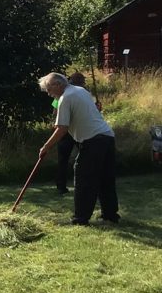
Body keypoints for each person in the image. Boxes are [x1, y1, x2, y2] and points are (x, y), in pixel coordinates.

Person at [38, 72, 119, 226]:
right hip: (107, 137)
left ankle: (80, 218)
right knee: (105, 178)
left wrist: (46, 147)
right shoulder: (81, 91)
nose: (49, 94)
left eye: (49, 89)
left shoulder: (65, 98)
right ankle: (110, 215)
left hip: (93, 141)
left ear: (57, 84)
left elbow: (62, 128)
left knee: (84, 178)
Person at [53, 72, 94, 195]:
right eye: (82, 81)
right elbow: (56, 111)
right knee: (80, 158)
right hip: (69, 130)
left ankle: (62, 186)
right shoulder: (64, 95)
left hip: (74, 130)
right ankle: (63, 185)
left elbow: (54, 112)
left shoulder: (75, 92)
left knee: (63, 159)